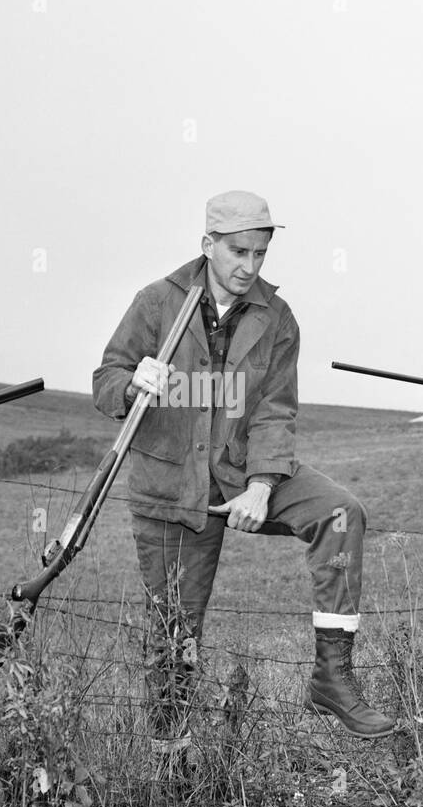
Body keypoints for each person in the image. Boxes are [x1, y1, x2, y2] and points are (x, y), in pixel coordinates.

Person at [93, 190, 394, 742]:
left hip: (243, 473)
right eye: (237, 252)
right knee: (173, 637)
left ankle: (332, 679)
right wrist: (132, 380)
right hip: (171, 488)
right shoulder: (157, 302)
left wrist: (261, 485)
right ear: (208, 245)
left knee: (340, 514)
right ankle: (168, 754)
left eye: (259, 253)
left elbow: (275, 412)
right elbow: (104, 381)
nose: (248, 266)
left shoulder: (278, 319)